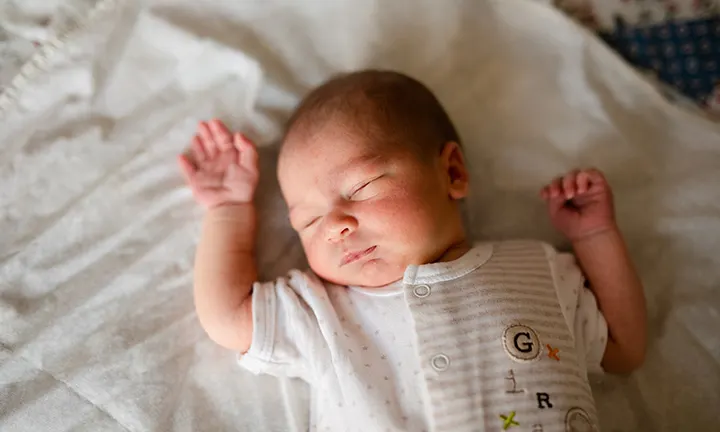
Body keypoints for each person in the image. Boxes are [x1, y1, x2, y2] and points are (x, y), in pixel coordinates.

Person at [177, 70, 646, 431]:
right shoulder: (323, 311)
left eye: (361, 187)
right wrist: (227, 210)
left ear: (452, 173)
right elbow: (226, 316)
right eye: (309, 221)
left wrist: (595, 237)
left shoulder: (535, 268)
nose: (336, 227)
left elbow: (623, 350)